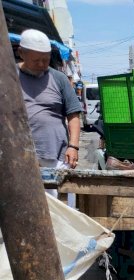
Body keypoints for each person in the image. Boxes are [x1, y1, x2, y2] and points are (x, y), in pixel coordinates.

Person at [17, 29, 82, 175]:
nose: (41, 64)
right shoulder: (10, 77)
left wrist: (73, 146)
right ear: (21, 53)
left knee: (58, 197)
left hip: (56, 154)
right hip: (19, 154)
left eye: (45, 60)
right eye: (36, 60)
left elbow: (73, 115)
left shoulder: (59, 78)